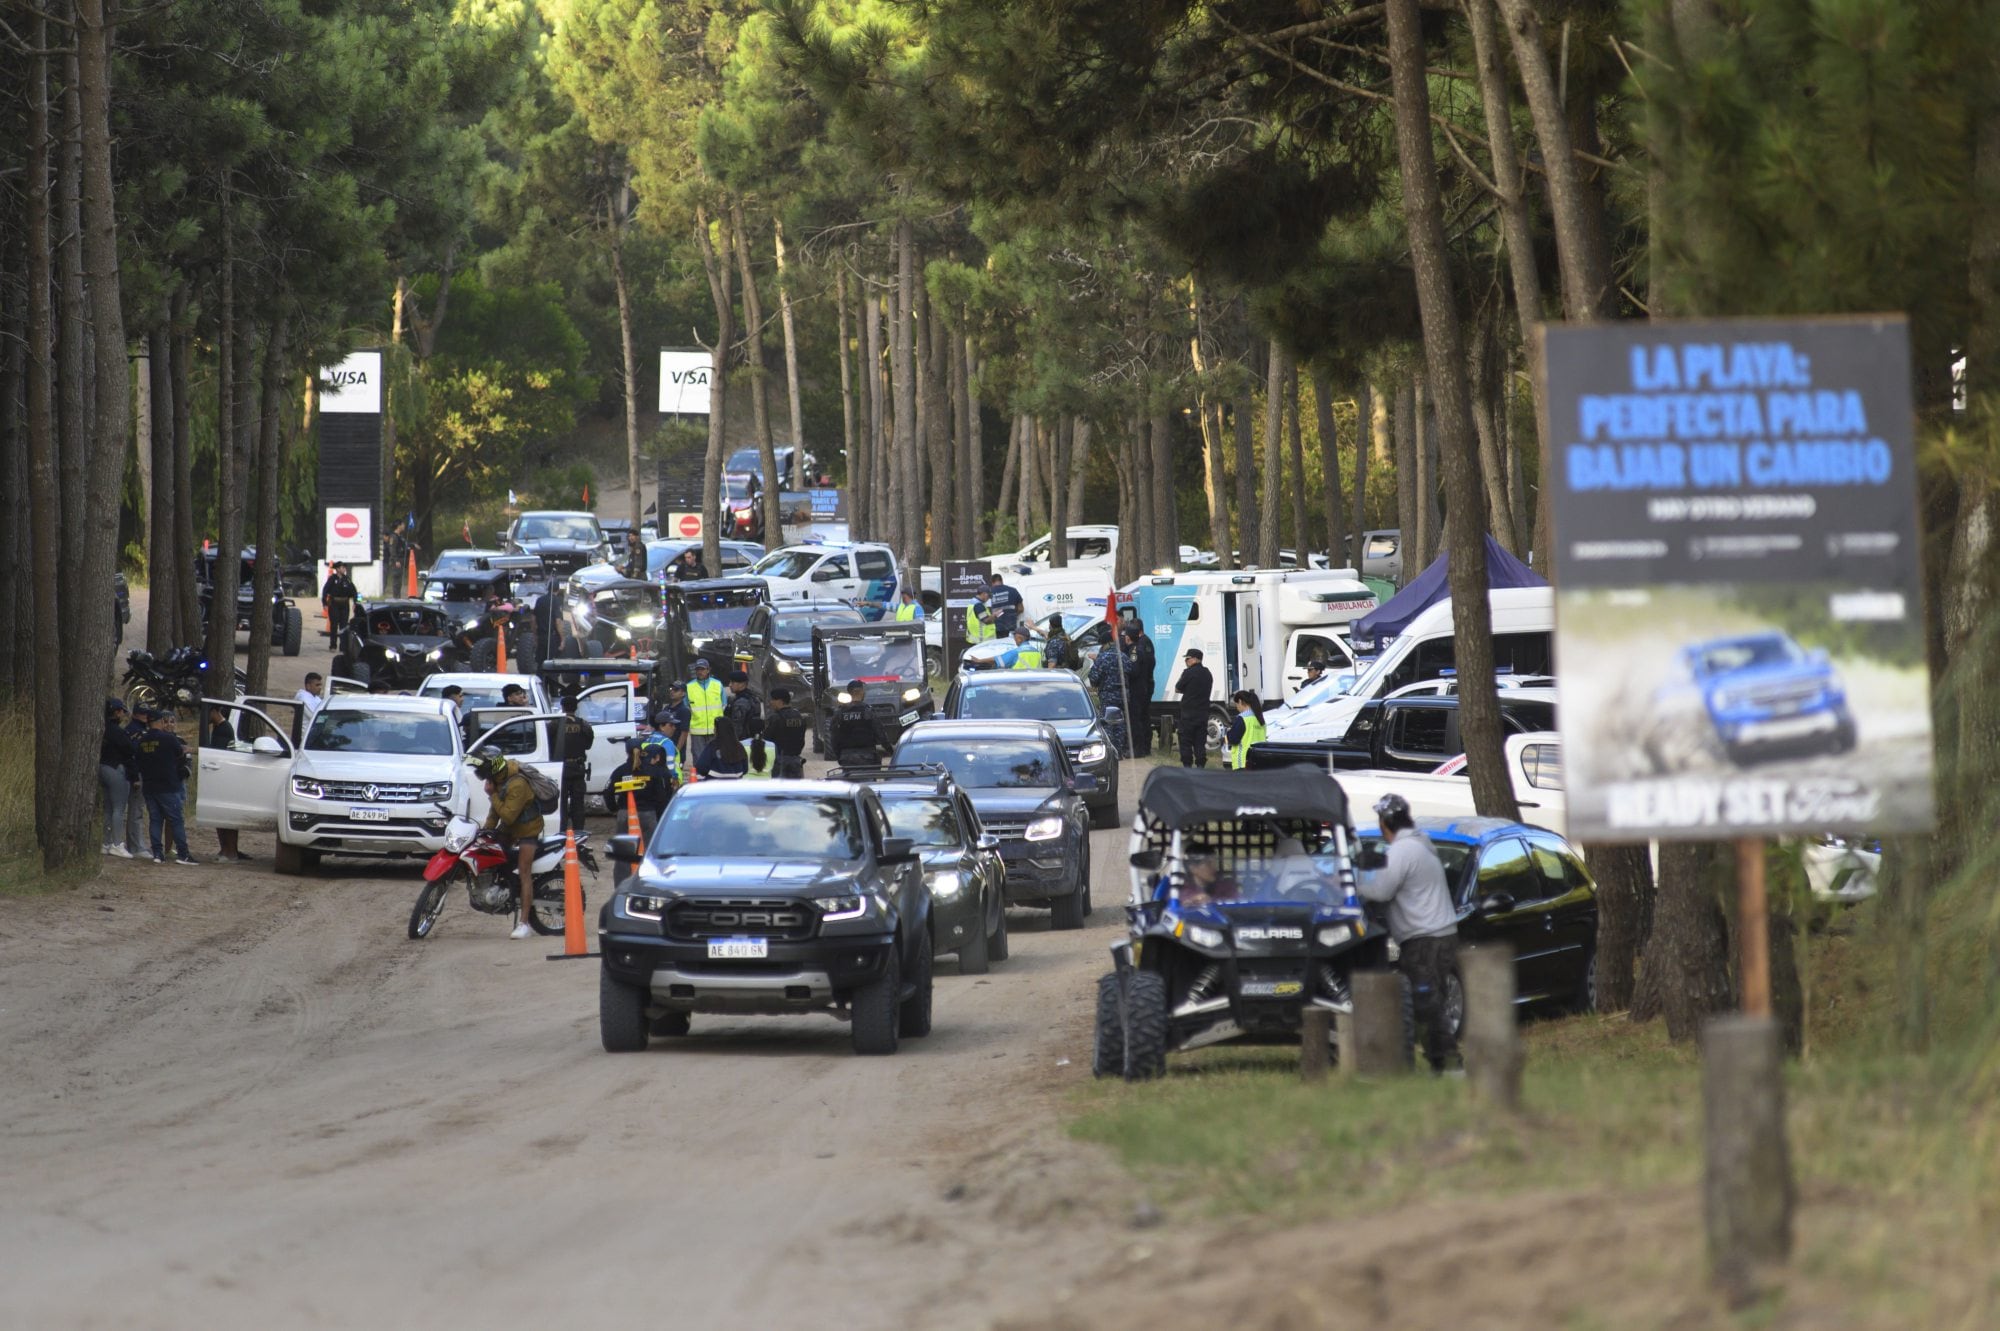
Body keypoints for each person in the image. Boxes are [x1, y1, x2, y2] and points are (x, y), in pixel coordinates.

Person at [1358, 793, 1461, 1074]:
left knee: (1426, 1002)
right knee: (1427, 1001)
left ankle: (1450, 1065)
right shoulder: (1420, 843)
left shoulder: (1403, 850)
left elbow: (1380, 891)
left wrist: (1358, 878)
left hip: (1425, 937)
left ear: (1385, 823)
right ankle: (1439, 1062)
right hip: (1439, 933)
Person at [472, 748, 545, 940]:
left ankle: (524, 923)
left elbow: (508, 815)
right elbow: (494, 813)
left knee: (524, 872)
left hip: (528, 830)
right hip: (510, 828)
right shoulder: (498, 778)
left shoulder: (517, 784)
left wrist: (491, 795)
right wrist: (485, 832)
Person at [133, 708, 197, 866]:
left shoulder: (142, 740)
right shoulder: (169, 739)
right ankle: (183, 854)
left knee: (155, 820)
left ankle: (157, 854)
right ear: (160, 722)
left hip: (149, 786)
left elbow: (138, 761)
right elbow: (179, 754)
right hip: (168, 785)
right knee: (176, 820)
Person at [202, 703, 252, 863]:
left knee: (226, 816)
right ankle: (226, 849)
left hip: (224, 776)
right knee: (219, 816)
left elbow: (217, 752)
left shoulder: (224, 729)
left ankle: (230, 851)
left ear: (215, 711)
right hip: (220, 775)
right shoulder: (218, 728)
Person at [99, 699, 139, 859]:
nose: (123, 714)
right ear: (116, 712)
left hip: (102, 768)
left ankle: (106, 843)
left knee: (108, 808)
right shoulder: (117, 731)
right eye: (122, 711)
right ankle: (117, 843)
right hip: (116, 769)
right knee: (118, 808)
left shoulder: (102, 728)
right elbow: (129, 749)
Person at [827, 680, 888, 768]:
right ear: (862, 691)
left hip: (847, 758)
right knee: (869, 781)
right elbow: (881, 734)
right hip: (868, 757)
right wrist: (890, 750)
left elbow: (833, 737)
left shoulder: (840, 713)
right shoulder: (868, 711)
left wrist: (839, 755)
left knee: (850, 781)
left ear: (849, 693)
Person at [557, 694, 595, 829]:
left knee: (561, 803)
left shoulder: (554, 724)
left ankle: (561, 830)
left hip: (560, 768)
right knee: (578, 803)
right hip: (577, 768)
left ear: (562, 707)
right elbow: (588, 745)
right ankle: (579, 832)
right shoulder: (583, 724)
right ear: (576, 707)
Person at [1172, 648, 1214, 768]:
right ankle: (1200, 766)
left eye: (1188, 658)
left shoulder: (1188, 673)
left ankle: (1187, 767)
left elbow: (1177, 688)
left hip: (1188, 715)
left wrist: (1188, 690)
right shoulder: (1208, 673)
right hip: (1202, 714)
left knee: (1185, 741)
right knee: (1200, 742)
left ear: (1195, 659)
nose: (1186, 661)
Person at [1123, 620, 1157, 757]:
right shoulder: (1138, 648)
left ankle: (1138, 749)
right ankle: (1142, 747)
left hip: (1137, 689)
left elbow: (1134, 670)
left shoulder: (1135, 651)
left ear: (1128, 637)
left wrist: (1124, 670)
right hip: (1141, 687)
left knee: (1136, 720)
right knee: (1141, 719)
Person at [765, 687, 809, 779]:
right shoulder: (798, 716)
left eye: (773, 700)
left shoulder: (775, 718)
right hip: (796, 760)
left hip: (780, 761)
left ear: (780, 701)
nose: (771, 702)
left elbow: (767, 738)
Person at [686, 659, 724, 748]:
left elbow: (724, 706)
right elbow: (686, 708)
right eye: (698, 669)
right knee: (699, 759)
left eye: (702, 669)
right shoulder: (689, 687)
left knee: (716, 758)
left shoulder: (718, 685)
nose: (700, 672)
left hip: (715, 730)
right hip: (697, 732)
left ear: (708, 670)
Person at [1226, 690, 1267, 770]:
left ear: (1240, 701)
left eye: (1236, 704)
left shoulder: (1242, 719)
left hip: (1242, 762)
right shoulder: (1260, 719)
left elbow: (1233, 740)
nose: (1237, 708)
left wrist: (1227, 735)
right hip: (1258, 762)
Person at [724, 669, 765, 742]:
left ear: (742, 684)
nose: (730, 685)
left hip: (741, 742)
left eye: (732, 682)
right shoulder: (753, 697)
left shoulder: (741, 702)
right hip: (752, 740)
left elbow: (737, 727)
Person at [320, 561, 357, 640]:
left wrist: (355, 602)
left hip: (345, 604)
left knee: (343, 626)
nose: (344, 569)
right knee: (334, 624)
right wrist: (325, 603)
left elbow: (354, 591)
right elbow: (325, 590)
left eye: (344, 567)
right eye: (342, 567)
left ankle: (343, 646)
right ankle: (333, 645)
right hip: (334, 604)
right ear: (337, 569)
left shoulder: (347, 579)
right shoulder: (332, 579)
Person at [986, 572, 1023, 637]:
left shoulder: (989, 593)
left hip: (996, 628)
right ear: (1002, 580)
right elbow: (1021, 609)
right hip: (1011, 626)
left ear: (992, 582)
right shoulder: (1013, 590)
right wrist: (1013, 615)